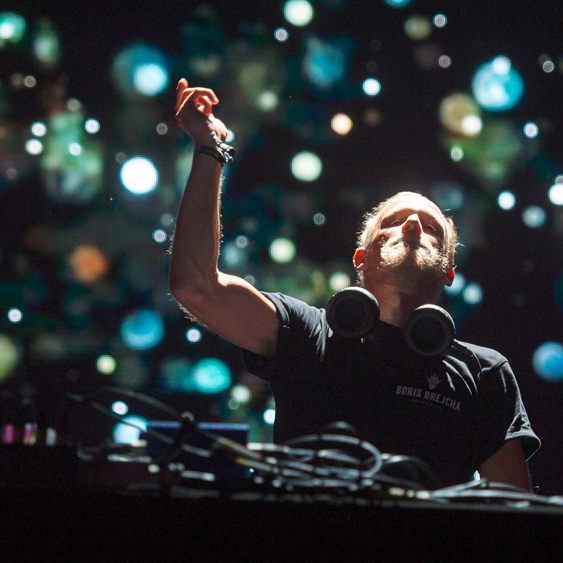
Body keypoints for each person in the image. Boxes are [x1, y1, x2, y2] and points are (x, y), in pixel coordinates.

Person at [168, 79, 538, 489]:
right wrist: (210, 148)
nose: (412, 225)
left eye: (431, 228)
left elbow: (515, 508)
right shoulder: (306, 333)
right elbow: (196, 286)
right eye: (393, 221)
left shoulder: (485, 372)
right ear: (360, 257)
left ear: (448, 271)